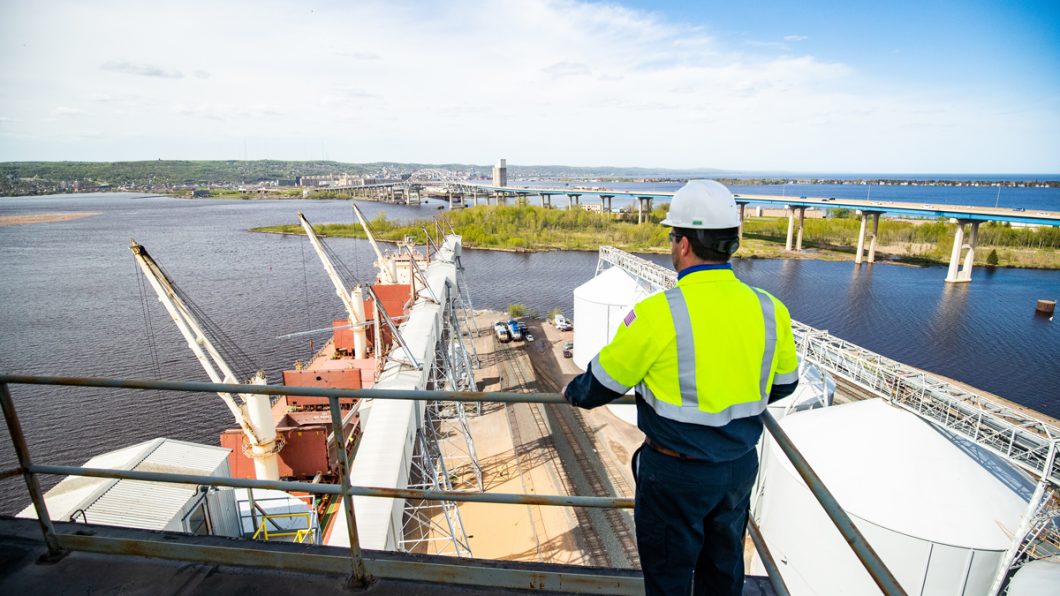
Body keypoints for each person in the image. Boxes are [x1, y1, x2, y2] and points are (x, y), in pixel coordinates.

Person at [563, 180, 799, 596]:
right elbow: (783, 386)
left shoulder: (657, 315)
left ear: (684, 244)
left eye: (672, 237)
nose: (672, 246)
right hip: (738, 468)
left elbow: (597, 386)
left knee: (669, 576)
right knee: (723, 573)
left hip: (674, 475)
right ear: (732, 244)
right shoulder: (770, 309)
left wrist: (571, 392)